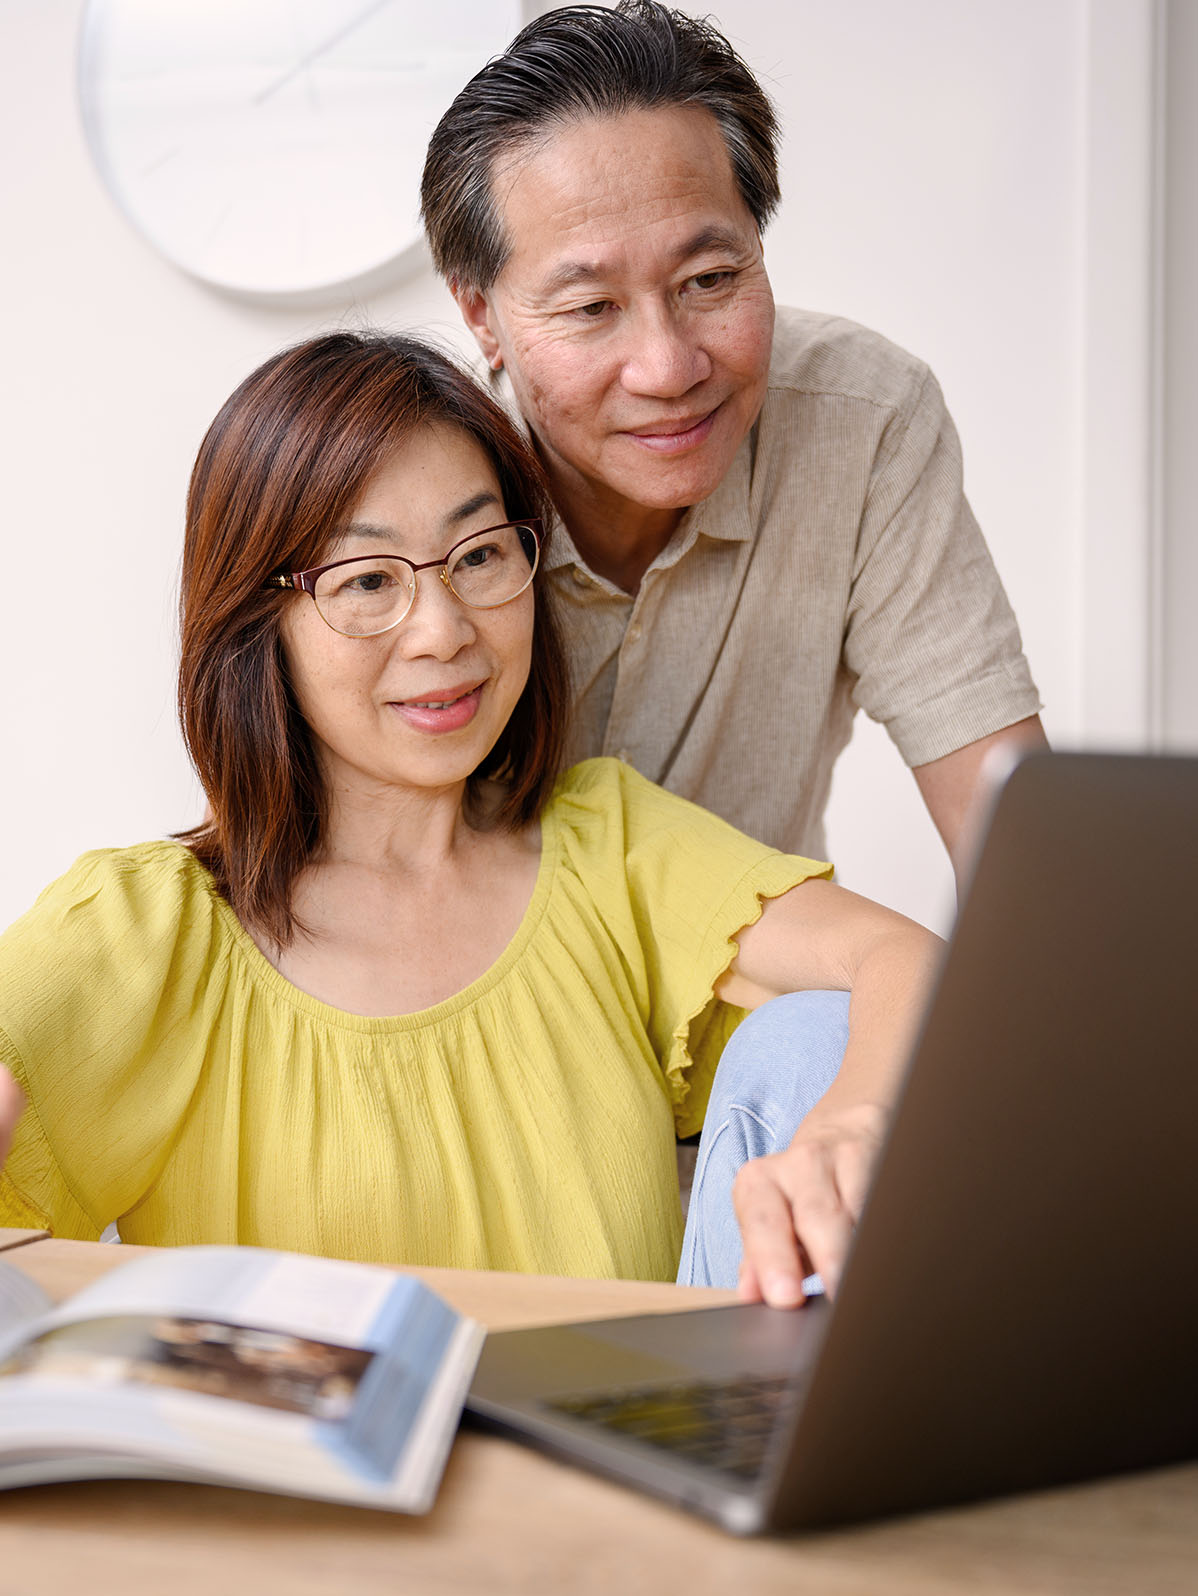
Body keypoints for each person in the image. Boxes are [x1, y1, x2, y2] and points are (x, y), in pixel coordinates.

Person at [0, 333, 939, 1307]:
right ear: (256, 618)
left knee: (816, 1035)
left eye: (480, 555)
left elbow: (906, 963)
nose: (444, 630)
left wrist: (848, 1125)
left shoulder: (607, 850)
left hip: (609, 1454)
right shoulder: (144, 932)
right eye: (367, 580)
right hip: (281, 1461)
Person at [420, 0, 1049, 882]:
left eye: (710, 279)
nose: (669, 368)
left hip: (770, 985)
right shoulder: (404, 493)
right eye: (592, 307)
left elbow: (1015, 843)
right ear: (481, 315)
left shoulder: (864, 422)